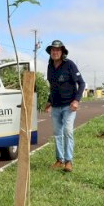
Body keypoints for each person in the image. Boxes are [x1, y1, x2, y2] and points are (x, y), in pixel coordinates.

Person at [43, 39, 86, 172]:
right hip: (56, 106)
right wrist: (49, 101)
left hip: (69, 106)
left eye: (57, 50)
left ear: (62, 52)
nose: (55, 52)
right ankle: (59, 160)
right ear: (50, 52)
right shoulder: (50, 66)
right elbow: (53, 87)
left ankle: (68, 161)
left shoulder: (69, 65)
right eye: (53, 50)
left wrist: (76, 100)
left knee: (67, 131)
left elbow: (82, 83)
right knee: (57, 134)